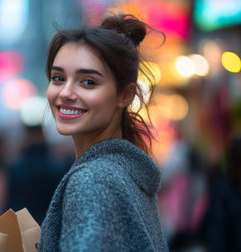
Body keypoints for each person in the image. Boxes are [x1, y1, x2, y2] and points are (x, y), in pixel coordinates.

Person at [39, 14, 168, 251]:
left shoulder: (93, 180)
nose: (65, 92)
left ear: (125, 95)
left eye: (88, 82)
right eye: (58, 78)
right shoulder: (122, 174)